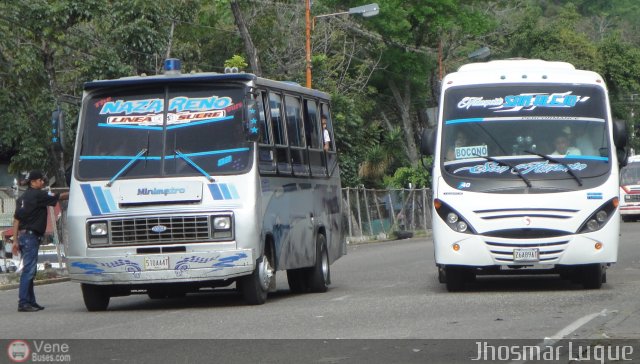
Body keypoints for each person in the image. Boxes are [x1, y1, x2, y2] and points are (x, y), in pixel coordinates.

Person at [12, 170, 68, 312]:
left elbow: (16, 219)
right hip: (31, 237)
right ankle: (23, 302)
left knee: (30, 269)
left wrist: (15, 240)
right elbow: (59, 196)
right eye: (40, 180)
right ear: (33, 182)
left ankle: (31, 301)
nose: (42, 182)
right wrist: (76, 191)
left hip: (24, 236)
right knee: (29, 271)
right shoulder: (39, 195)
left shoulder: (22, 198)